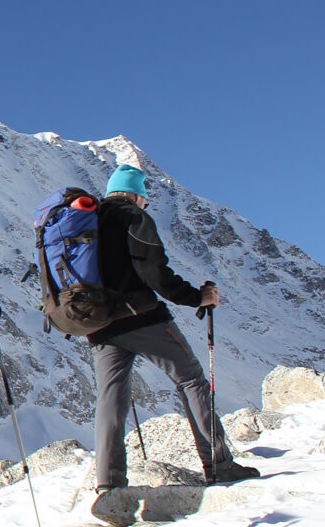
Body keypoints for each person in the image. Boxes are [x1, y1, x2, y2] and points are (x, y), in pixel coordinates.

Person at [88, 164, 259, 493]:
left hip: (97, 326)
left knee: (110, 399)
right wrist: (197, 296)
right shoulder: (133, 218)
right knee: (191, 379)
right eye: (145, 200)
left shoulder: (86, 222)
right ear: (136, 195)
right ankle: (219, 465)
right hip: (141, 317)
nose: (145, 205)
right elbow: (156, 273)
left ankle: (108, 485)